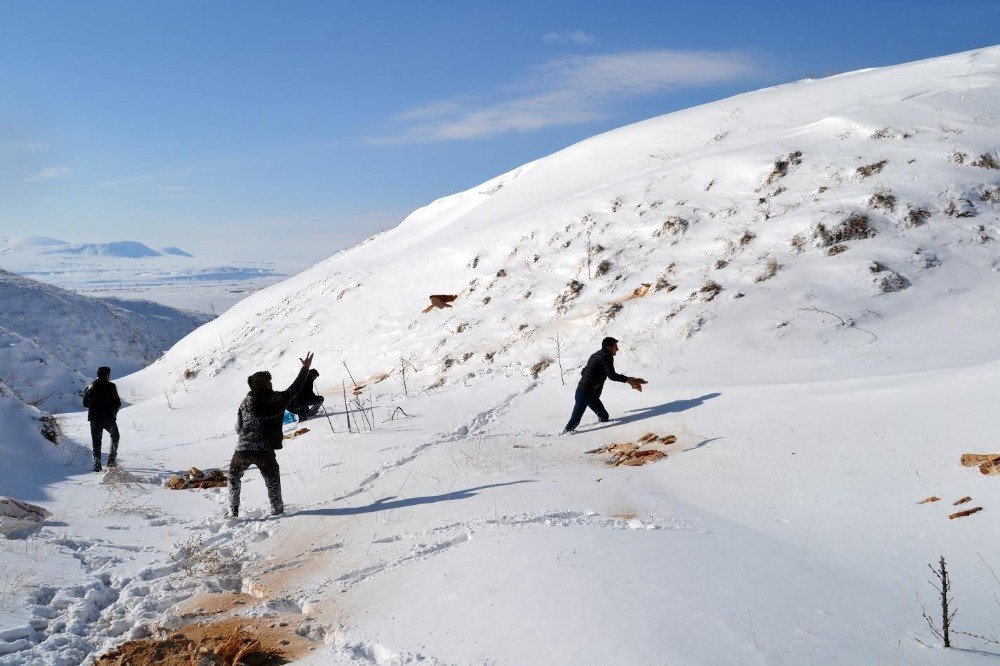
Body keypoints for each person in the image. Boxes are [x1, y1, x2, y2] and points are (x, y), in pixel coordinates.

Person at [229, 351, 313, 518]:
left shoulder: (244, 402)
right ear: (266, 385)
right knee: (272, 480)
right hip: (265, 451)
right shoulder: (277, 398)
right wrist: (305, 368)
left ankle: (233, 511)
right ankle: (277, 510)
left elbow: (238, 427)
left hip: (242, 450)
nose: (271, 384)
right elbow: (295, 388)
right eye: (269, 381)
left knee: (233, 476)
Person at [563, 337, 646, 433]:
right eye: (615, 346)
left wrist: (597, 381)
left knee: (604, 416)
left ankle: (601, 431)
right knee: (574, 421)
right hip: (584, 392)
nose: (617, 349)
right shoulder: (607, 356)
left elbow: (584, 371)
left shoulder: (595, 355)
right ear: (608, 347)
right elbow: (612, 376)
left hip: (587, 392)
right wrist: (628, 379)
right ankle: (562, 438)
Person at [83, 366, 122, 472]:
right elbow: (118, 403)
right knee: (115, 436)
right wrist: (113, 411)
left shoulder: (89, 386)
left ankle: (97, 465)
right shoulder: (111, 386)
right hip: (108, 418)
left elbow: (85, 404)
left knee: (96, 441)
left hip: (94, 419)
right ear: (107, 375)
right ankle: (111, 461)